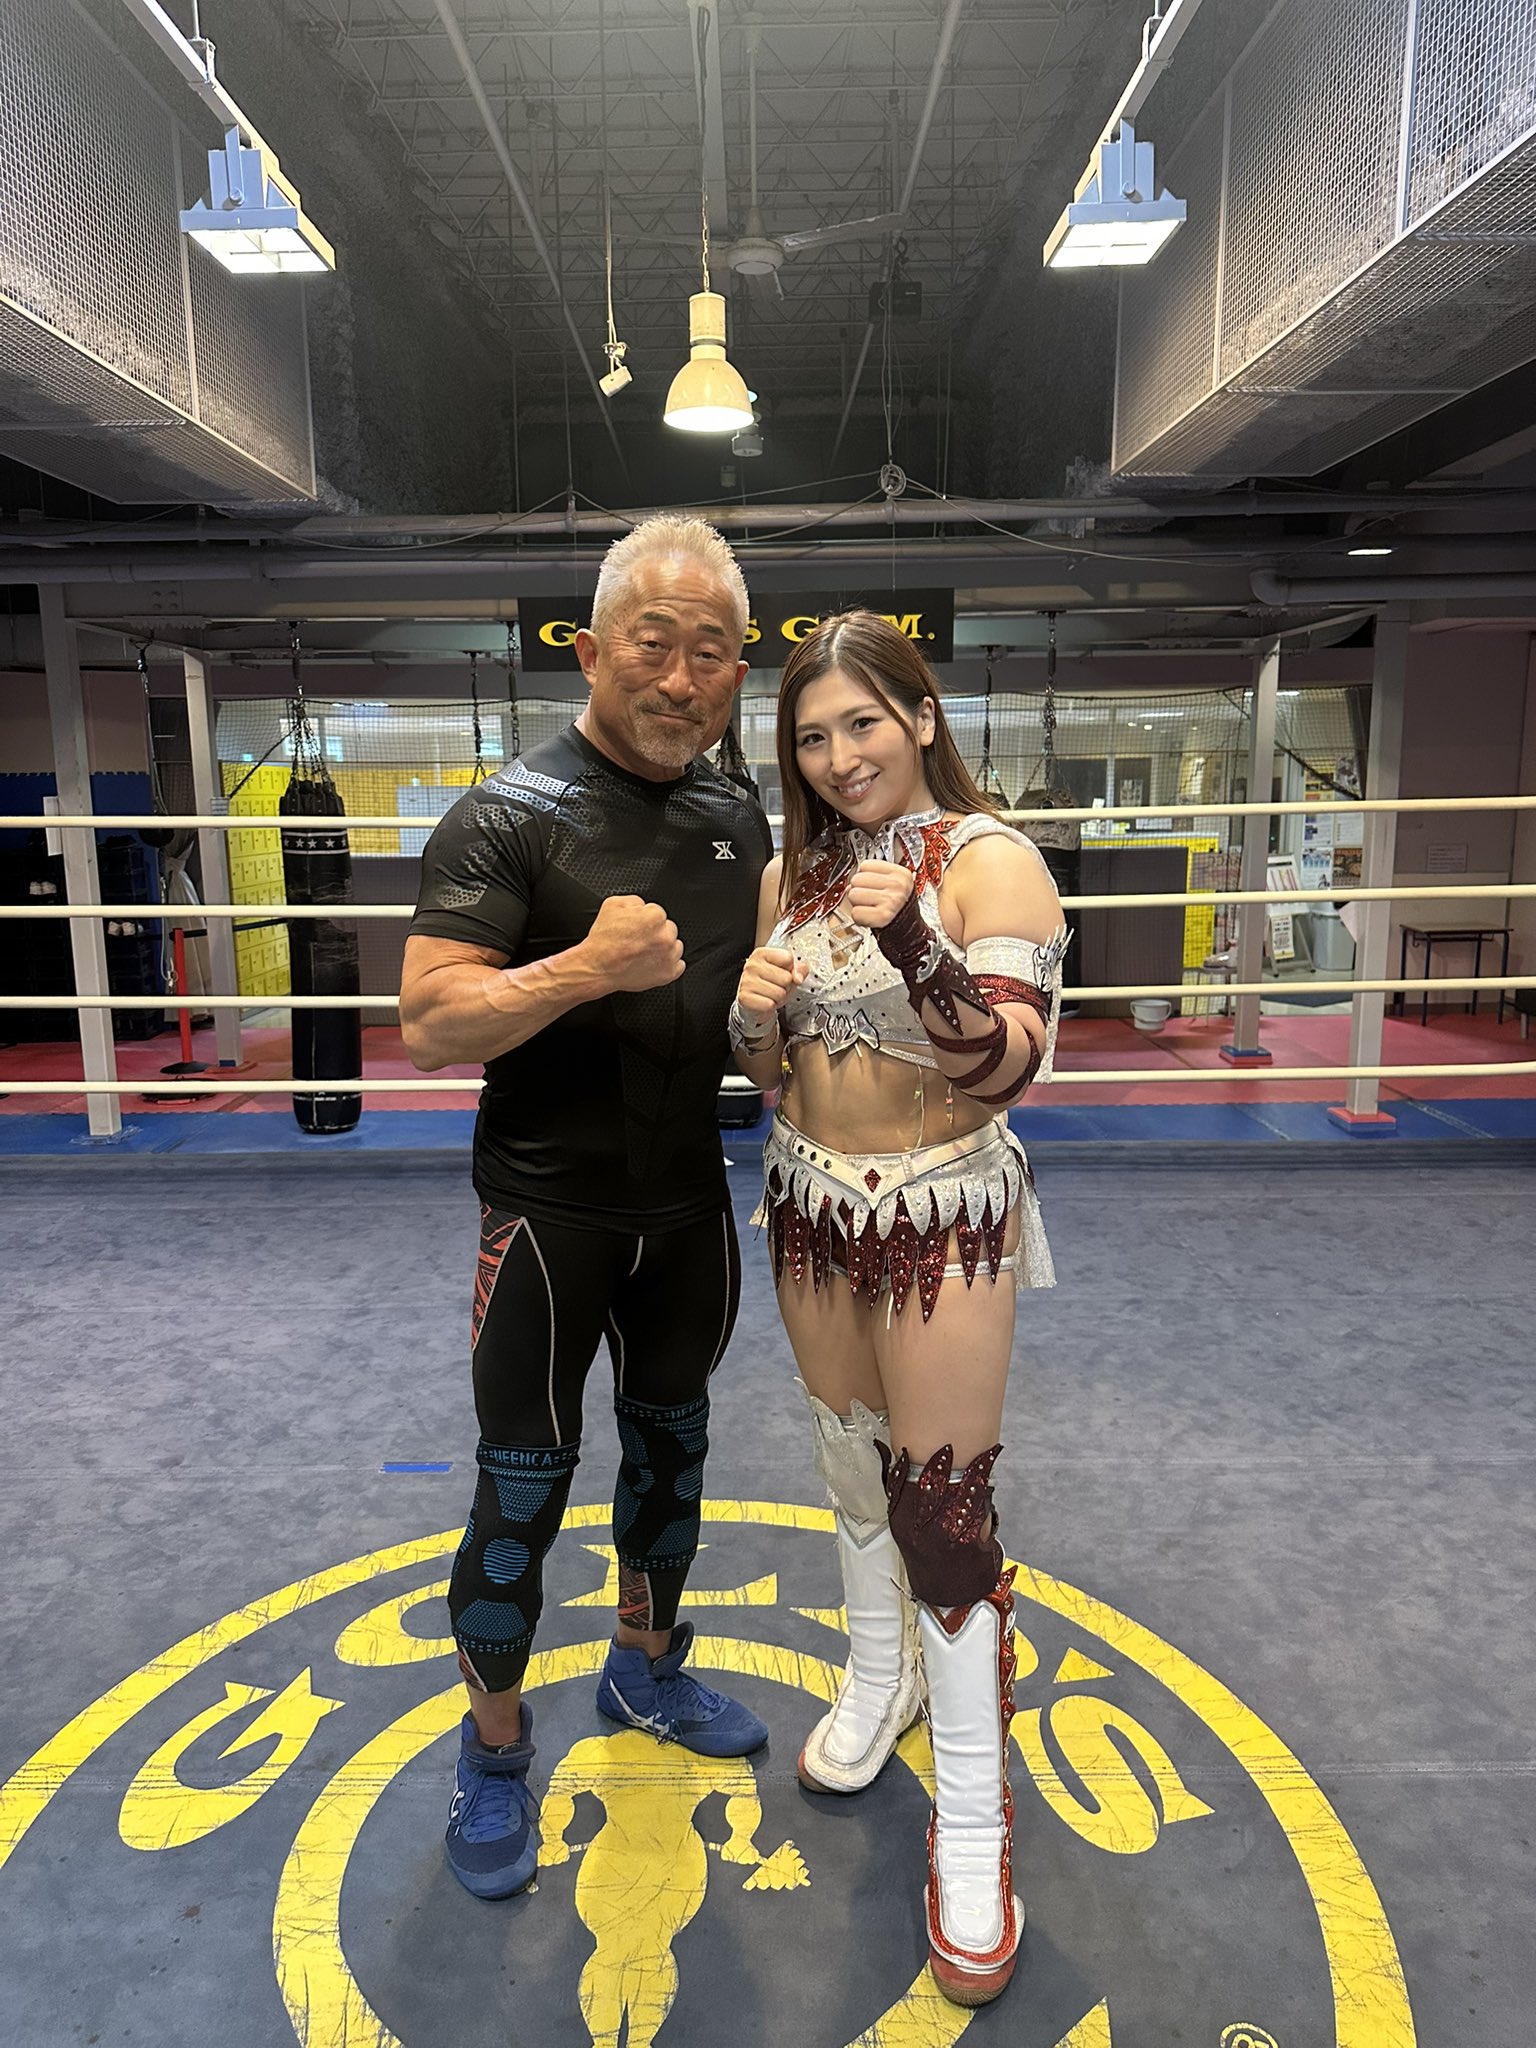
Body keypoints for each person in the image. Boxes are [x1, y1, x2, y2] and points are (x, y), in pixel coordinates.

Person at [402, 515, 774, 1902]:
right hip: (547, 1217)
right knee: (523, 1480)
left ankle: (643, 1667)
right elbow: (430, 1021)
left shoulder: (738, 818)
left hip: (687, 1209)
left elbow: (743, 1014)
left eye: (710, 652)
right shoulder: (507, 814)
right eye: (651, 644)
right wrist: (581, 967)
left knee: (672, 1456)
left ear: (739, 670)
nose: (679, 679)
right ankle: (495, 1748)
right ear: (591, 651)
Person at [730, 611, 1066, 2007]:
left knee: (944, 1511)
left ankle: (974, 1825)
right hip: (808, 1198)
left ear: (923, 716)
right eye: (812, 736)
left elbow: (1006, 1068)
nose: (840, 756)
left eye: (863, 722)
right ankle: (882, 1675)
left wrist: (919, 940)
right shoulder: (790, 875)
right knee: (848, 1461)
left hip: (942, 1206)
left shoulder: (994, 860)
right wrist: (750, 1018)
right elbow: (772, 1071)